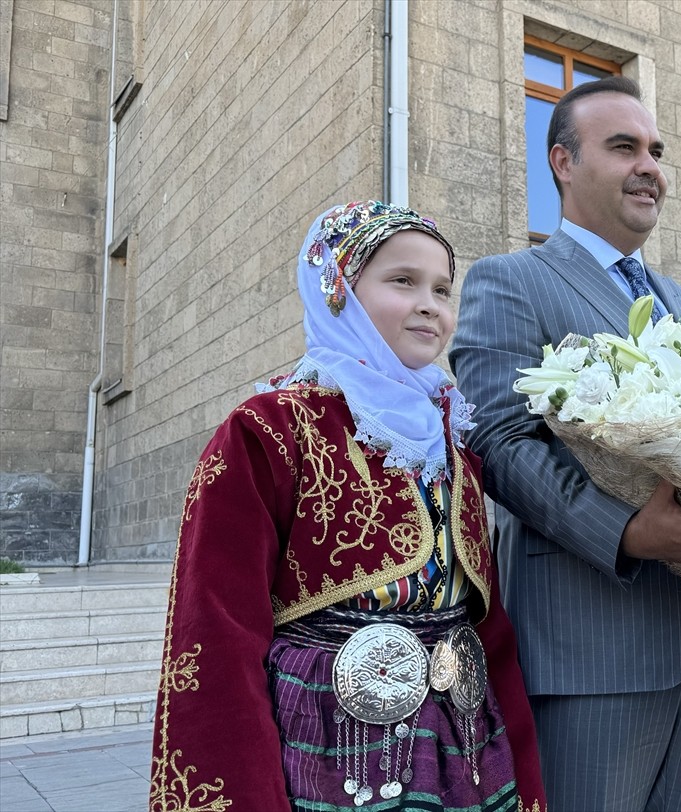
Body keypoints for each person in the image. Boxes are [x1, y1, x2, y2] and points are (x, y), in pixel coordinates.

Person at [148, 202, 546, 812]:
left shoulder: (453, 439)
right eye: (402, 281)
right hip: (327, 738)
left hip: (463, 740)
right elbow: (216, 633)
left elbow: (486, 628)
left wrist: (524, 771)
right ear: (338, 290)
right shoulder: (271, 430)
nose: (429, 304)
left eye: (443, 288)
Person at [450, 76, 681, 811]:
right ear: (562, 161)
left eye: (655, 150)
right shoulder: (512, 283)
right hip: (591, 648)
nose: (648, 165)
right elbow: (496, 440)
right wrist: (628, 532)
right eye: (623, 147)